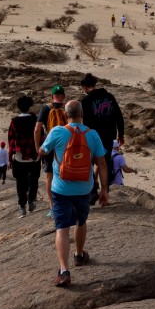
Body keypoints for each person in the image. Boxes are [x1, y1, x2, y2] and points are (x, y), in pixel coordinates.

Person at [40, 99, 107, 287]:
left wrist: (42, 147)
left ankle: (64, 271)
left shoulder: (57, 131)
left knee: (62, 228)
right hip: (84, 188)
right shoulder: (93, 134)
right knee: (81, 221)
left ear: (65, 115)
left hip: (61, 189)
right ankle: (79, 255)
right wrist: (105, 190)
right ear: (82, 114)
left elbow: (43, 151)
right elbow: (101, 163)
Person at [78, 73, 125, 203]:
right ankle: (105, 194)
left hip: (92, 137)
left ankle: (93, 192)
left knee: (88, 164)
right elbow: (119, 116)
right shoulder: (109, 97)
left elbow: (85, 122)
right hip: (109, 136)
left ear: (84, 87)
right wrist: (121, 134)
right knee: (104, 163)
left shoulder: (86, 101)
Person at [35, 84, 69, 218]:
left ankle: (53, 206)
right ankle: (67, 204)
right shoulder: (68, 108)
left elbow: (37, 129)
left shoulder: (46, 108)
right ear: (64, 96)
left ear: (52, 96)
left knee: (49, 176)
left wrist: (38, 147)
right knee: (65, 174)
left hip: (50, 146)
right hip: (66, 146)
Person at [8, 95, 41, 217]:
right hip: (34, 156)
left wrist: (10, 157)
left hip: (19, 156)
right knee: (34, 179)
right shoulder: (36, 120)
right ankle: (31, 200)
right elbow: (41, 137)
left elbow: (11, 140)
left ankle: (22, 206)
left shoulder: (14, 121)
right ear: (30, 106)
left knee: (20, 182)